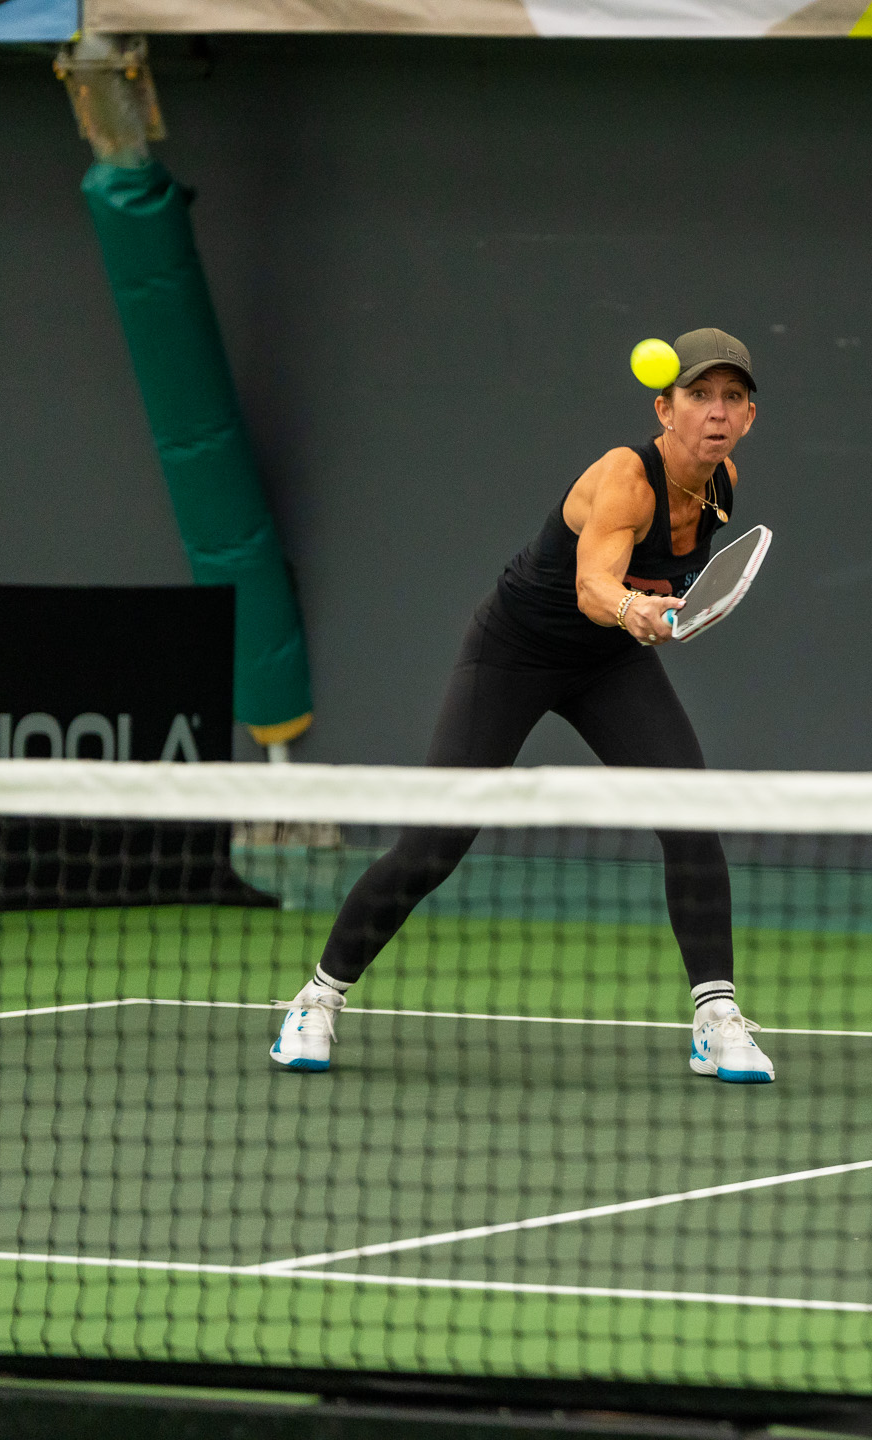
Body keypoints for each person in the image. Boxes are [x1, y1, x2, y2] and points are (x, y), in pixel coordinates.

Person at [271, 328, 775, 1083]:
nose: (716, 411)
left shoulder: (720, 483)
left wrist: (650, 610)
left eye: (732, 398)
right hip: (514, 654)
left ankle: (716, 1016)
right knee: (435, 842)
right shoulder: (625, 477)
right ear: (664, 409)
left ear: (749, 417)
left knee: (690, 817)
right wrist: (631, 608)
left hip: (607, 666)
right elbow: (592, 585)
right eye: (698, 395)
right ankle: (318, 998)